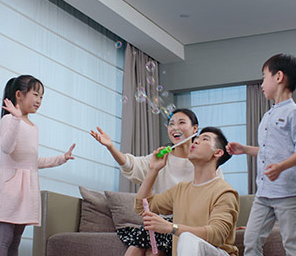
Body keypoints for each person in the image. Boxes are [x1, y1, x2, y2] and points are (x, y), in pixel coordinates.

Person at [91, 109, 224, 255]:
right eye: (171, 124)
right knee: (139, 247)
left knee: (152, 251)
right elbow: (131, 165)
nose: (175, 127)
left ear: (194, 128)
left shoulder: (205, 163)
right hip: (160, 220)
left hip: (185, 223)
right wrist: (111, 147)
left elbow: (217, 201)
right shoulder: (162, 159)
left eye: (181, 122)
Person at [226, 54, 296, 256]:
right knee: (251, 239)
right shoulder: (268, 115)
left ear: (279, 77)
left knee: (291, 241)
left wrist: (281, 167)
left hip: (289, 192)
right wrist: (246, 149)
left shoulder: (294, 113)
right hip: (265, 192)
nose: (262, 84)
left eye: (264, 77)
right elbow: (271, 151)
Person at [0, 75, 76, 256]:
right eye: (35, 95)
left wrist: (62, 158)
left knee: (15, 242)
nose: (39, 101)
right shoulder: (9, 120)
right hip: (10, 188)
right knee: (4, 240)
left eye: (41, 97)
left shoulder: (33, 127)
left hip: (26, 190)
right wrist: (16, 119)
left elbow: (32, 163)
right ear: (19, 94)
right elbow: (6, 148)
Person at [135, 127, 239, 256]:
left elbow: (216, 235)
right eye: (196, 139)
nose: (195, 141)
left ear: (217, 153)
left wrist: (170, 227)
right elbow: (143, 206)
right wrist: (153, 170)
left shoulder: (225, 192)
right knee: (186, 239)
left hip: (218, 253)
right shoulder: (180, 189)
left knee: (187, 238)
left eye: (204, 139)